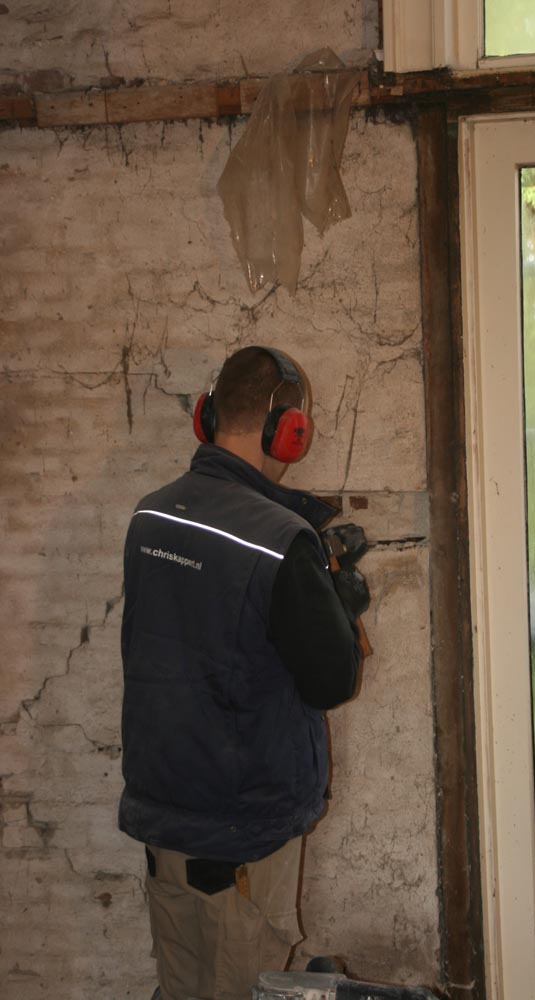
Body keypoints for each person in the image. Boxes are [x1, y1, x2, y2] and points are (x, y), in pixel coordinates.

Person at [119, 345, 365, 1000]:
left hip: (165, 818)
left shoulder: (150, 516)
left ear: (207, 415)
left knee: (182, 989)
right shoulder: (279, 539)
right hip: (242, 833)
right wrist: (339, 607)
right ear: (285, 429)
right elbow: (330, 681)